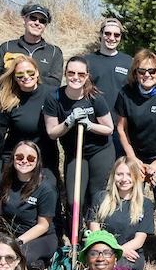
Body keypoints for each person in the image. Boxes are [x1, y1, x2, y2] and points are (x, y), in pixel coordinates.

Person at [114, 49, 156, 243]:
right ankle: (128, 238)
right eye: (142, 71)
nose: (147, 75)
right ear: (135, 72)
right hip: (134, 153)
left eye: (152, 71)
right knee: (131, 194)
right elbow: (121, 130)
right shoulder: (126, 93)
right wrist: (133, 160)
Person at [44, 55, 115, 234]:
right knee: (74, 199)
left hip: (100, 151)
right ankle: (74, 235)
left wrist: (90, 125)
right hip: (75, 153)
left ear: (87, 76)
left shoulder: (95, 97)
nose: (76, 77)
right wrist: (68, 122)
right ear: (65, 74)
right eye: (71, 73)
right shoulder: (54, 98)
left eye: (81, 74)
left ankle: (96, 235)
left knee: (97, 195)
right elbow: (52, 133)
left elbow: (109, 128)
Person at [0, 140, 59, 270]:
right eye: (19, 157)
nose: (24, 161)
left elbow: (43, 226)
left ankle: (41, 268)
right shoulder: (6, 179)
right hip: (10, 235)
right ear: (13, 158)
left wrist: (17, 242)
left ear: (37, 162)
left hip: (40, 237)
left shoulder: (46, 188)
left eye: (30, 158)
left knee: (22, 257)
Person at [0, 56, 58, 190]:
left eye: (30, 72)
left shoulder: (52, 94)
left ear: (37, 72)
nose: (26, 77)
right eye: (19, 75)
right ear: (15, 78)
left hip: (45, 159)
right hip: (17, 160)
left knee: (48, 194)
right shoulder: (8, 100)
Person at [88, 157, 154, 270]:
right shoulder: (100, 198)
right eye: (119, 174)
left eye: (129, 174)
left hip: (130, 253)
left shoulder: (145, 204)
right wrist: (114, 250)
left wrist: (120, 251)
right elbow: (95, 233)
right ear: (113, 176)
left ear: (136, 177)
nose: (124, 179)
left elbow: (139, 240)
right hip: (101, 251)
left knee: (121, 269)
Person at [0, 3, 64, 88]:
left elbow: (55, 83)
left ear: (45, 26)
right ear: (24, 20)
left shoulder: (54, 52)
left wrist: (29, 77)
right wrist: (15, 75)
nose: (37, 23)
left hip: (40, 100)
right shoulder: (6, 47)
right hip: (11, 99)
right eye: (33, 18)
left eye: (42, 21)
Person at [86, 18, 134, 115]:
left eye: (116, 35)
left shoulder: (129, 61)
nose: (112, 38)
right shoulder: (87, 61)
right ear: (101, 34)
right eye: (107, 33)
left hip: (120, 122)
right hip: (94, 122)